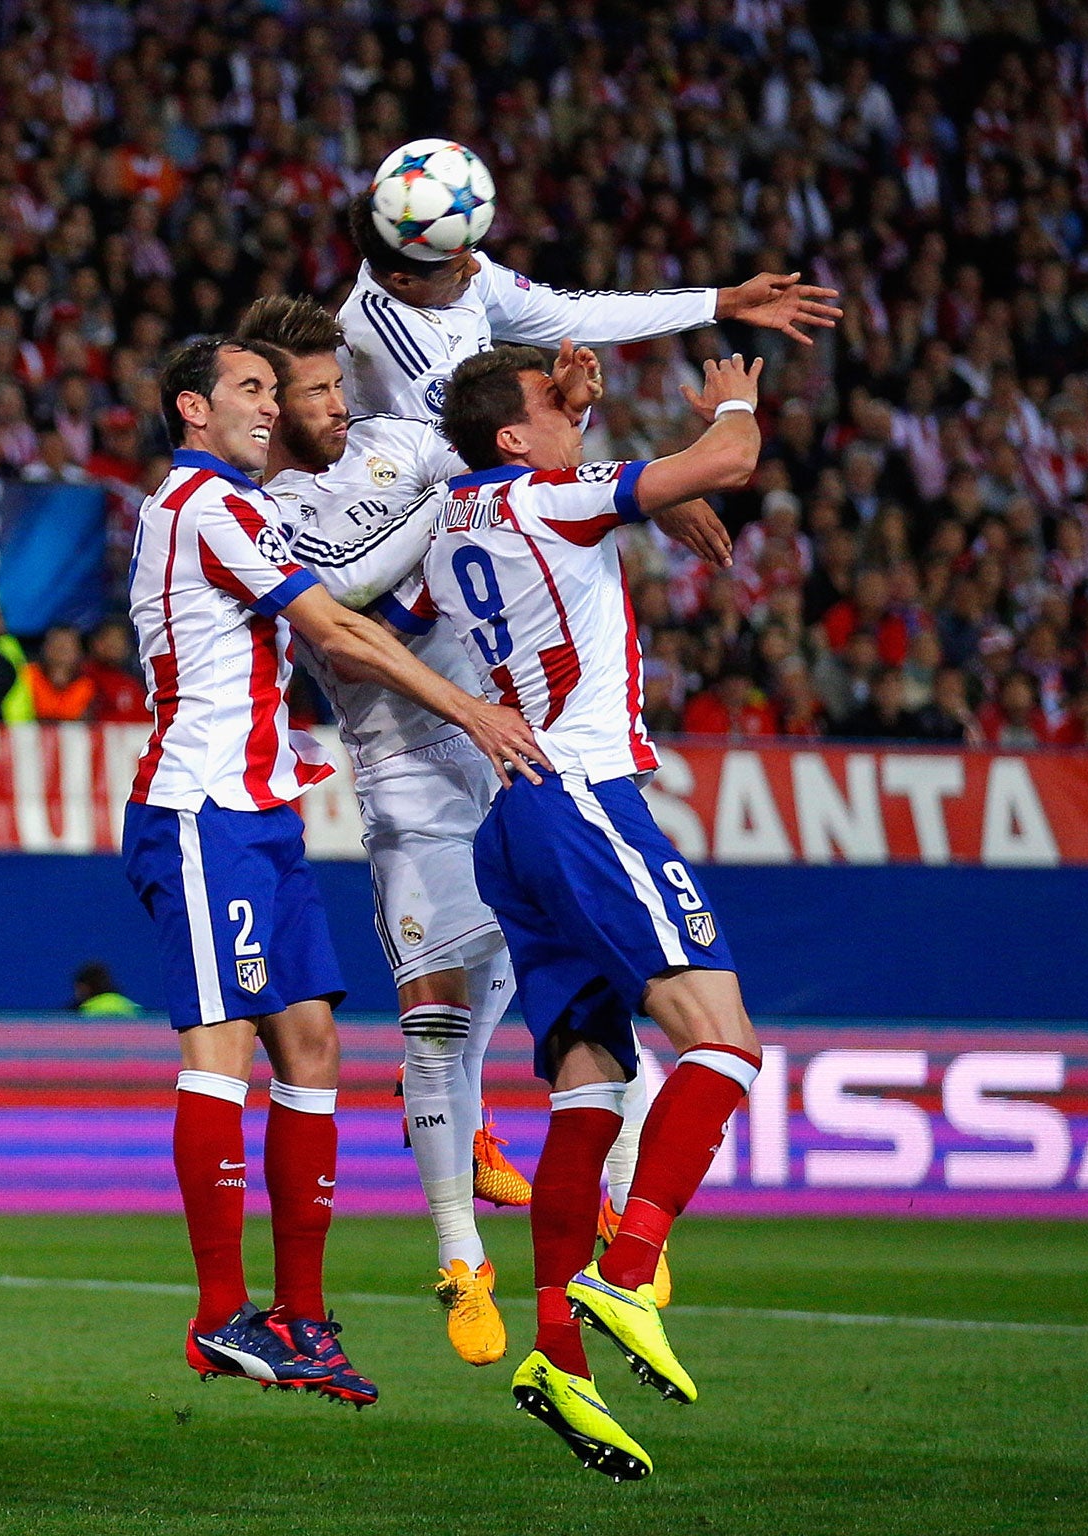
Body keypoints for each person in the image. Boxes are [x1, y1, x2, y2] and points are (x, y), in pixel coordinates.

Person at [240, 296, 735, 1365]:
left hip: (509, 751)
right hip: (407, 769)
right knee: (434, 1020)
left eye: (337, 381)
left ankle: (609, 1215)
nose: (338, 403)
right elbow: (359, 596)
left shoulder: (403, 443)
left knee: (580, 1002)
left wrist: (599, 454)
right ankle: (462, 1262)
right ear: (267, 405)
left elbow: (497, 462)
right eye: (315, 390)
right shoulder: (260, 517)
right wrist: (624, 486)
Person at [123, 334, 546, 1404]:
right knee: (220, 1048)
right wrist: (469, 709)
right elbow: (332, 630)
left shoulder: (246, 506)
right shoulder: (199, 504)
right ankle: (222, 1315)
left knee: (311, 1049)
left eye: (281, 389)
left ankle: (301, 1318)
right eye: (250, 390)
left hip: (259, 813)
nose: (270, 407)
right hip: (200, 807)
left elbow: (360, 590)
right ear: (191, 408)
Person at [398, 344, 767, 1480]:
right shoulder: (552, 497)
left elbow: (415, 605)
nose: (570, 418)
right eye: (549, 410)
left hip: (507, 822)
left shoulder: (452, 515)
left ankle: (555, 1353)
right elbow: (731, 456)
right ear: (512, 437)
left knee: (590, 1086)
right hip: (583, 799)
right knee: (723, 1041)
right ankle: (626, 1264)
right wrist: (727, 405)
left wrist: (596, 426)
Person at [338, 174, 841, 426]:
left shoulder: (455, 267)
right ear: (403, 281)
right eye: (459, 266)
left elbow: (578, 314)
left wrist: (724, 301)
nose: (476, 269)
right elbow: (469, 447)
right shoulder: (382, 334)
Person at [28, 624, 95, 720]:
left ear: (79, 652)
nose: (61, 649)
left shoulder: (88, 684)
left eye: (67, 645)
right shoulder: (28, 676)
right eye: (56, 643)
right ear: (44, 648)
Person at [72, 962, 141, 1018]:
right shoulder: (129, 1007)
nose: (76, 992)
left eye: (78, 987)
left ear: (85, 987)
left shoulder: (85, 1011)